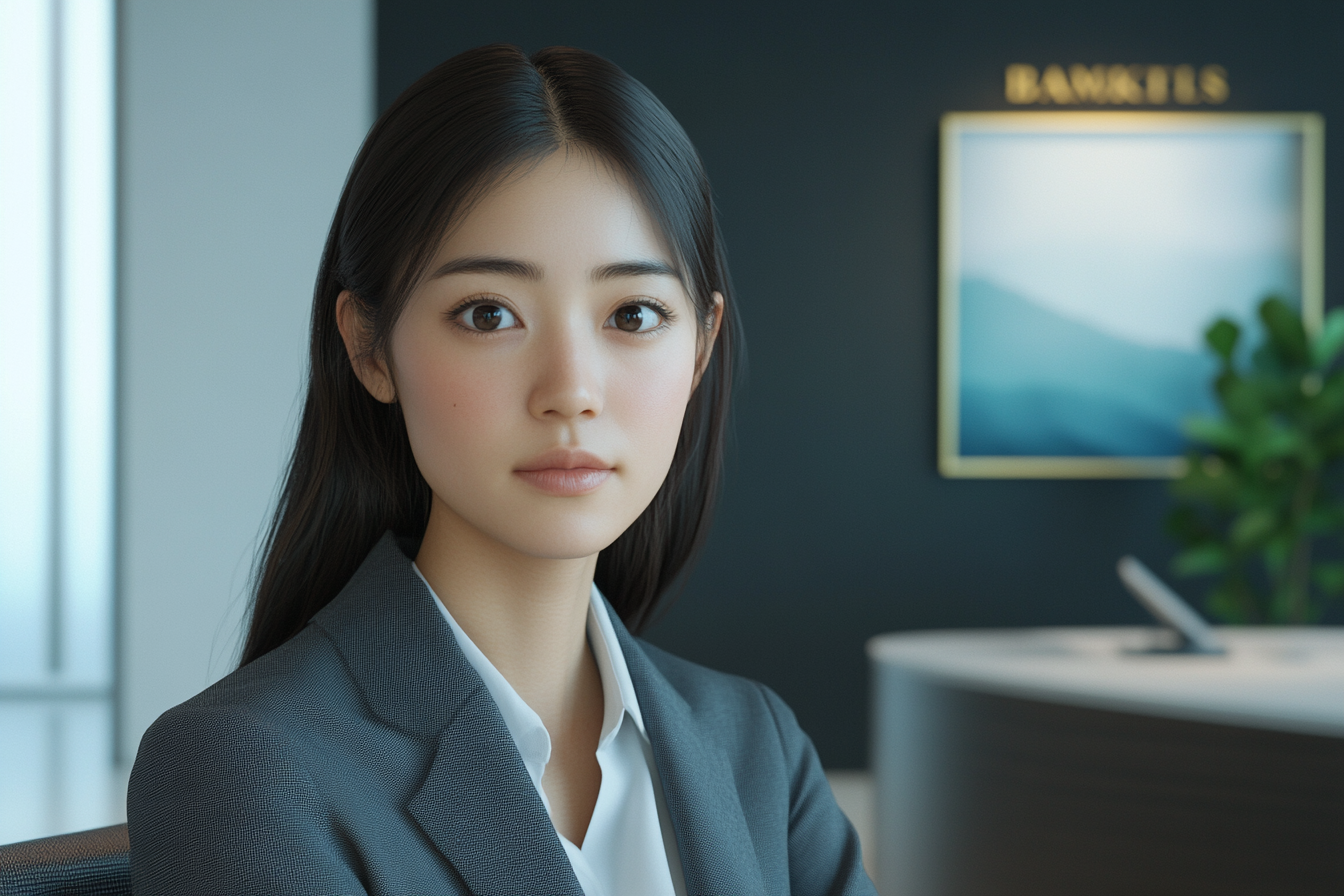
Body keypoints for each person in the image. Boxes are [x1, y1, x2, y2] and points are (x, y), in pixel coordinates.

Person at [128, 44, 875, 896]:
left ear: (700, 347)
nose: (571, 391)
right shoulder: (244, 771)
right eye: (488, 314)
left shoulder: (756, 748)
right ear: (369, 347)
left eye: (633, 314)